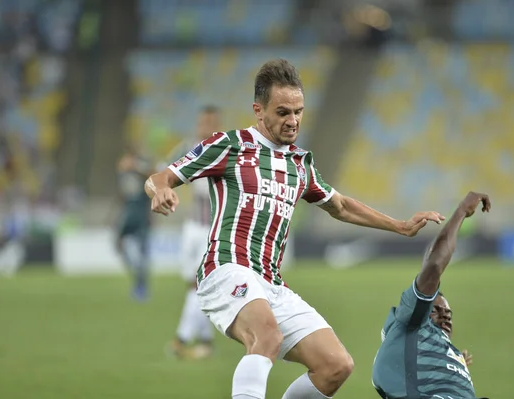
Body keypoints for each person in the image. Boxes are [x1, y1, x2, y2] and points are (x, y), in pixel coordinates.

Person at [145, 58, 445, 399]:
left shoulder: (300, 164)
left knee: (336, 365)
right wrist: (162, 190)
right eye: (283, 112)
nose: (293, 121)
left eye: (298, 112)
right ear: (259, 110)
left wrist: (401, 226)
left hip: (271, 283)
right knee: (267, 337)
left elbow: (341, 206)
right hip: (226, 269)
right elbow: (159, 178)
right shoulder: (229, 145)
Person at [372, 191, 491, 399]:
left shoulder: (439, 349)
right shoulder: (412, 324)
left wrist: (450, 359)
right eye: (436, 310)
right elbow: (433, 268)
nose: (446, 316)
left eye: (449, 313)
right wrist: (462, 209)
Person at [167, 105, 222, 360]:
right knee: (194, 284)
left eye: (210, 122)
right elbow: (162, 170)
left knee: (200, 286)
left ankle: (181, 338)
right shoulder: (190, 146)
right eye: (202, 122)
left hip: (211, 227)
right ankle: (206, 341)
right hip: (192, 226)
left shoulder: (222, 149)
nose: (204, 126)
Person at [115, 145, 155, 301]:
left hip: (142, 215)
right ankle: (138, 279)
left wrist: (136, 168)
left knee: (142, 253)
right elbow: (122, 192)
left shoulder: (142, 167)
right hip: (128, 213)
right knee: (119, 246)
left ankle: (141, 287)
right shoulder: (123, 170)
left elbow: (152, 176)